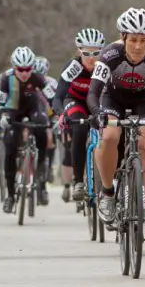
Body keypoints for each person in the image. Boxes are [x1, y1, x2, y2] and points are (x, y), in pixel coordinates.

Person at [88, 7, 145, 242]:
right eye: (133, 40)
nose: (138, 46)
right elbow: (93, 93)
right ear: (123, 37)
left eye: (144, 40)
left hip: (144, 100)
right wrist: (97, 112)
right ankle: (107, 193)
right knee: (109, 136)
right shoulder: (109, 54)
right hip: (112, 99)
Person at [0, 46, 55, 213]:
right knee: (10, 150)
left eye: (27, 69)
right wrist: (2, 115)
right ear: (14, 67)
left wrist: (58, 115)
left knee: (42, 124)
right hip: (13, 110)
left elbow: (51, 98)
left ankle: (42, 162)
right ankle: (10, 196)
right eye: (20, 69)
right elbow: (0, 103)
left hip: (33, 108)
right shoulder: (5, 78)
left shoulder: (38, 78)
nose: (24, 73)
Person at [52, 28, 106, 202]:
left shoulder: (105, 67)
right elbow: (58, 95)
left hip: (97, 103)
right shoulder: (73, 67)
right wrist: (60, 114)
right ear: (79, 52)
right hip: (75, 101)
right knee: (80, 129)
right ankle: (78, 181)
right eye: (86, 53)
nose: (91, 58)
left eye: (96, 53)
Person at [34, 56, 60, 186]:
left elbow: (55, 102)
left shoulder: (52, 83)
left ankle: (49, 166)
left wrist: (55, 117)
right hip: (31, 115)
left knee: (50, 139)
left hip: (47, 115)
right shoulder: (27, 81)